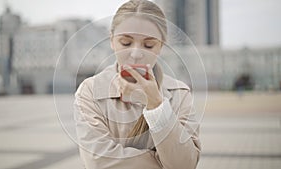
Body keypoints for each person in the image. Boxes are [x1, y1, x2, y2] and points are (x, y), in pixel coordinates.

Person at [74, 0, 201, 168]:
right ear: (112, 41)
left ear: (160, 46)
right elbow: (98, 160)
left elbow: (185, 164)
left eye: (148, 45)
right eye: (126, 43)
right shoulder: (89, 91)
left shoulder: (180, 93)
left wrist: (156, 106)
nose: (135, 54)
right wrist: (161, 162)